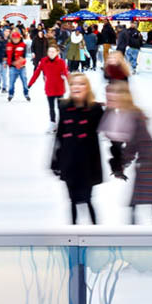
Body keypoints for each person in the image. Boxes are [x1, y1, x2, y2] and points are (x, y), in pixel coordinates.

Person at [101, 81, 152, 224]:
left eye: (114, 98)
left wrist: (121, 165)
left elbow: (133, 144)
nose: (111, 101)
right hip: (147, 161)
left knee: (142, 203)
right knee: (147, 204)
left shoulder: (133, 116)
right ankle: (151, 229)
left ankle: (139, 231)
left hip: (149, 163)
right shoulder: (129, 114)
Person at [51, 72, 104, 224]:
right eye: (73, 84)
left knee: (87, 200)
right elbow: (60, 135)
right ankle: (72, 236)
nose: (77, 87)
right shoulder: (64, 107)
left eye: (81, 84)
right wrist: (54, 162)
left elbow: (110, 130)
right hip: (69, 162)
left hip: (88, 164)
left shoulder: (95, 110)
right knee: (72, 201)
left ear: (87, 87)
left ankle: (95, 234)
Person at [29, 44, 71, 124]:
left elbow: (66, 73)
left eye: (53, 52)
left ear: (57, 52)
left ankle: (62, 123)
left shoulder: (61, 62)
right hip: (49, 88)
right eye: (49, 51)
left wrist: (71, 83)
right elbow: (36, 73)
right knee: (51, 108)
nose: (51, 53)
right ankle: (52, 123)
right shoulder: (43, 61)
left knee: (60, 108)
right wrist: (30, 83)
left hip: (59, 89)